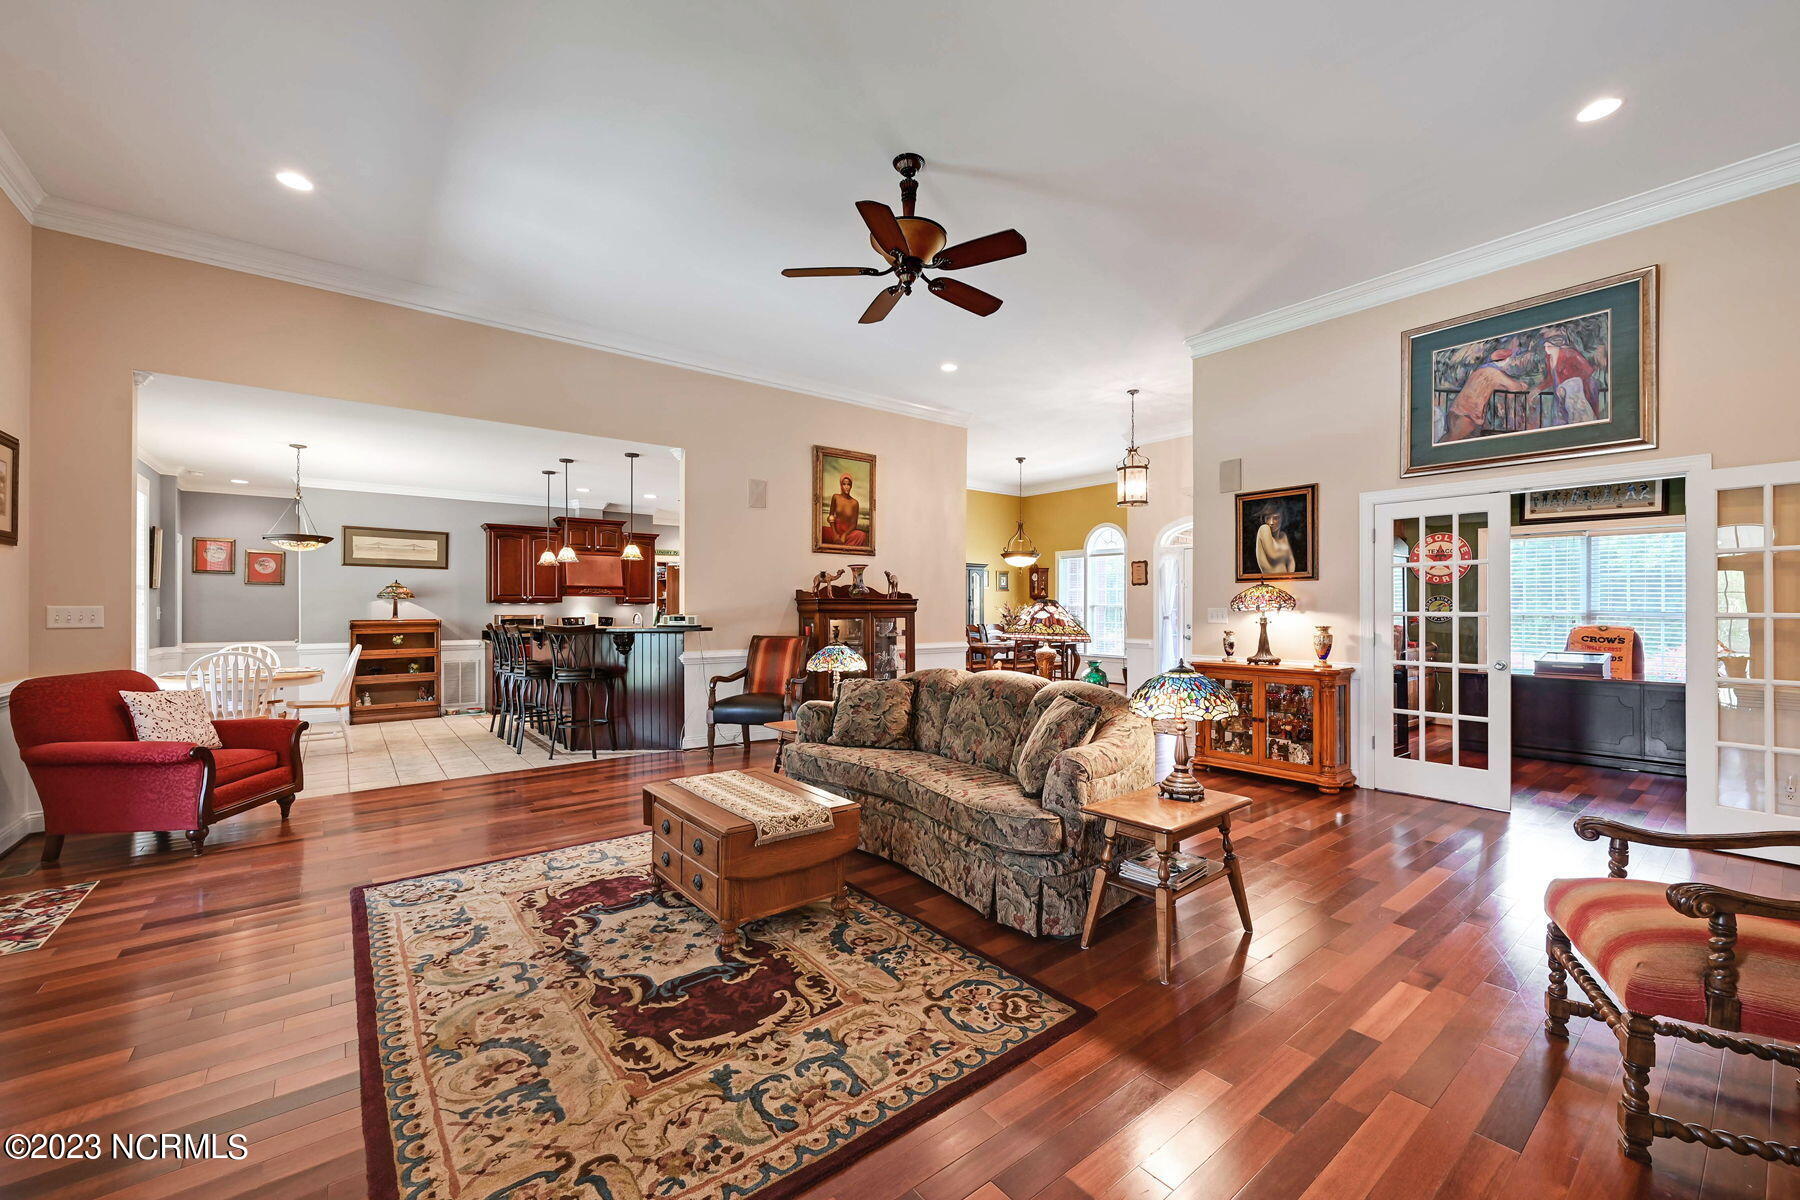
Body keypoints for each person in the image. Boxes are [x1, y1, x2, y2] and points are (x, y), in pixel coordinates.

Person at [1441, 340, 1532, 441]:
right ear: (1505, 361)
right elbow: (1516, 387)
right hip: (1467, 416)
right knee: (1448, 442)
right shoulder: (1495, 373)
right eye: (1512, 361)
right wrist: (1524, 385)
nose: (1512, 365)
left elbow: (1492, 386)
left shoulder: (1481, 370)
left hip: (1461, 414)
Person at [1542, 333, 1600, 426]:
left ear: (1557, 346)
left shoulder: (1569, 354)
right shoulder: (1548, 358)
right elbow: (1550, 379)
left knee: (1578, 418)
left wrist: (1571, 382)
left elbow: (1588, 370)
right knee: (1562, 419)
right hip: (1560, 394)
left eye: (1549, 346)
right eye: (1545, 346)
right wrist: (1537, 389)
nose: (1546, 349)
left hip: (1575, 392)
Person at [821, 473, 868, 547]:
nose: (846, 487)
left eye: (848, 484)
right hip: (835, 530)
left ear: (851, 486)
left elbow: (853, 524)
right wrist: (835, 534)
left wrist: (844, 535)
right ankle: (840, 545)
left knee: (861, 535)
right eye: (844, 484)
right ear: (841, 485)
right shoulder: (835, 497)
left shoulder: (855, 503)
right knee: (821, 531)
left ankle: (842, 547)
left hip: (848, 532)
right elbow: (830, 516)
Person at [1255, 505, 1296, 575]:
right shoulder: (1264, 529)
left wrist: (1289, 577)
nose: (1271, 522)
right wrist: (1287, 553)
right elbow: (1273, 555)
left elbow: (1291, 562)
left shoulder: (1283, 536)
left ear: (1282, 518)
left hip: (1286, 581)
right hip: (1270, 581)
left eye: (1276, 518)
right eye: (1268, 518)